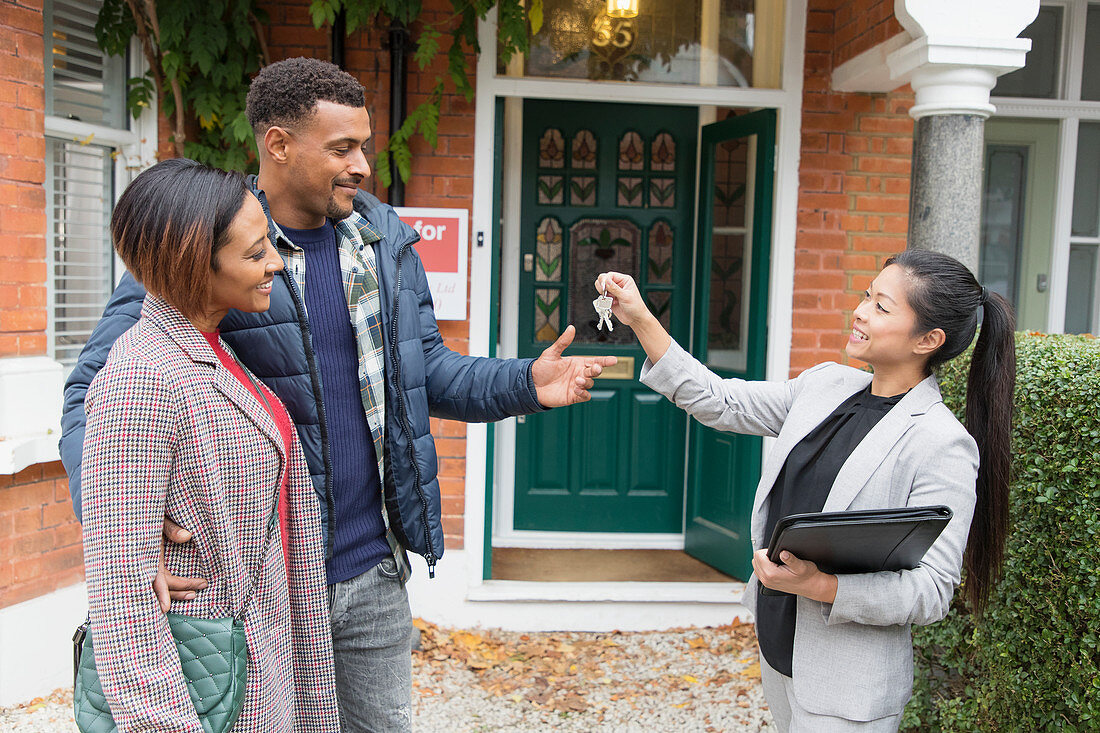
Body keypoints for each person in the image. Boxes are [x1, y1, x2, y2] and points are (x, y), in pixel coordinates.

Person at [61, 58, 612, 732]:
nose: (363, 166)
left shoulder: (383, 242)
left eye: (366, 146)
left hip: (371, 567)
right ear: (279, 145)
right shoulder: (213, 241)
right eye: (343, 148)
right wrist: (130, 533)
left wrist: (523, 382)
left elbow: (425, 370)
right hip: (268, 579)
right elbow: (99, 389)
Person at [596, 249, 1015, 732]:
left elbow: (932, 591)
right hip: (780, 646)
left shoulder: (940, 442)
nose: (859, 311)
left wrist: (820, 586)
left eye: (881, 307)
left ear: (929, 339)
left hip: (848, 684)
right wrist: (640, 318)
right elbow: (719, 400)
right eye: (866, 296)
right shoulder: (825, 386)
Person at [81, 158, 340, 731]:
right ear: (193, 264)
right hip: (204, 682)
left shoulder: (215, 348)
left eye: (268, 243)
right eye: (254, 254)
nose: (276, 261)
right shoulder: (143, 377)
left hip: (259, 659)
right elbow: (122, 600)